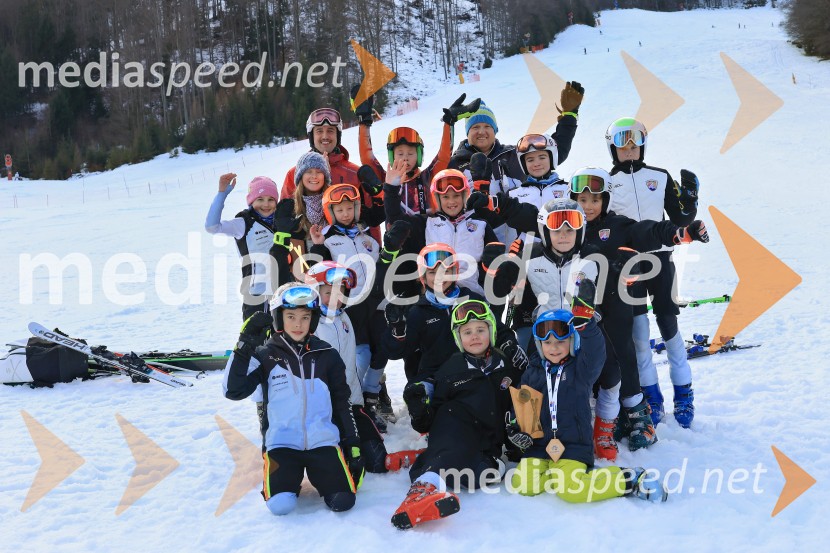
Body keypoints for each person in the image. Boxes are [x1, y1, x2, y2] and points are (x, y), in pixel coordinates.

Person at [569, 166, 709, 458]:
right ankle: (600, 414)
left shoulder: (618, 225)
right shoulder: (568, 228)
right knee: (588, 359)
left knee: (624, 353)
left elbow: (648, 231)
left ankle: (637, 415)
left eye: (595, 200)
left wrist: (680, 233)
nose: (588, 206)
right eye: (582, 200)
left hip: (615, 303)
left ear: (606, 200)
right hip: (582, 309)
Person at [222, 283, 363, 515]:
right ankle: (285, 479)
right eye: (291, 316)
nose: (298, 324)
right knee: (281, 505)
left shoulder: (327, 355)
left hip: (323, 442)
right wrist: (244, 345)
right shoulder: (265, 355)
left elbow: (342, 403)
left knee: (343, 501)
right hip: (282, 445)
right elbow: (232, 390)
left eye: (305, 317)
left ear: (313, 319)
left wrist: (353, 444)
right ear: (279, 318)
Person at [507, 304, 668, 503]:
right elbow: (524, 407)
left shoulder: (581, 370)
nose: (554, 348)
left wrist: (586, 324)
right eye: (547, 342)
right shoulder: (532, 372)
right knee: (523, 485)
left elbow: (595, 351)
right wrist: (516, 426)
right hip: (540, 446)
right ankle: (568, 476)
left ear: (573, 341)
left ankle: (630, 478)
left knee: (571, 491)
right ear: (539, 345)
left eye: (561, 341)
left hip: (572, 446)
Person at [390, 300, 524, 529]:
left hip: (485, 441)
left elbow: (515, 406)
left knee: (485, 474)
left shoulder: (506, 366)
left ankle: (425, 457)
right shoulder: (451, 369)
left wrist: (516, 438)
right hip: (454, 426)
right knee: (453, 442)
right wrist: (419, 410)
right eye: (467, 332)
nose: (475, 336)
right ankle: (420, 491)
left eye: (480, 329)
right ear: (458, 337)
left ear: (491, 331)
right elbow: (428, 422)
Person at [604, 117, 699, 428]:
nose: (630, 148)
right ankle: (652, 397)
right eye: (623, 142)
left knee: (669, 325)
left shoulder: (659, 176)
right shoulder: (607, 182)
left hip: (660, 259)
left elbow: (680, 219)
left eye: (636, 141)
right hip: (628, 264)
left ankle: (683, 393)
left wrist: (690, 201)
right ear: (612, 147)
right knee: (639, 334)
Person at [380, 243, 527, 384]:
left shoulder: (471, 300)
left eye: (446, 271)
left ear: (454, 273)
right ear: (423, 277)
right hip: (437, 379)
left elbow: (496, 329)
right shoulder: (419, 311)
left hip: (475, 374)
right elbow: (396, 352)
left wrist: (510, 345)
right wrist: (397, 329)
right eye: (432, 272)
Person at [307, 183, 389, 432]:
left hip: (375, 304)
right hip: (350, 306)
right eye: (339, 210)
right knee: (361, 354)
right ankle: (356, 401)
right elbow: (318, 271)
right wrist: (318, 246)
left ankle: (371, 397)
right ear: (330, 212)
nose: (345, 214)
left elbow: (380, 269)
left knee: (382, 350)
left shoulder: (368, 240)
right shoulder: (329, 241)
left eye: (349, 208)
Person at [304, 261, 388, 472]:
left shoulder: (345, 318)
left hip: (351, 403)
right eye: (328, 292)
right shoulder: (307, 325)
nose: (336, 297)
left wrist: (357, 404)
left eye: (340, 291)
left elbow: (350, 368)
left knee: (377, 461)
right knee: (343, 463)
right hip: (322, 411)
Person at [352, 89, 479, 216]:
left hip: (429, 228)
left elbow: (443, 157)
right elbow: (367, 158)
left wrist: (448, 123)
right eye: (400, 154)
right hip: (396, 229)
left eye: (410, 153)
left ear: (419, 155)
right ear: (391, 156)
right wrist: (364, 123)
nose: (405, 158)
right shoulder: (387, 182)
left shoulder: (428, 177)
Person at [383, 168, 499, 296]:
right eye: (445, 197)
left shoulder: (480, 225)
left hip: (470, 297)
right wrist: (391, 189)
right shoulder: (427, 224)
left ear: (464, 196)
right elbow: (397, 222)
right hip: (435, 296)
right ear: (437, 199)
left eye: (456, 196)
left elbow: (495, 262)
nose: (451, 201)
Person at [280, 107, 382, 244]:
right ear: (311, 136)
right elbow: (284, 222)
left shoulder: (355, 173)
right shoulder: (295, 174)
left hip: (350, 251)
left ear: (338, 135)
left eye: (330, 131)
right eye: (319, 131)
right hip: (311, 251)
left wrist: (375, 249)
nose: (325, 136)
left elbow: (370, 222)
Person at [205, 173, 279, 320]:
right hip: (256, 296)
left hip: (282, 291)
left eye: (271, 199)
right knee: (255, 334)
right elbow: (212, 227)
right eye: (260, 199)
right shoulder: (243, 223)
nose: (266, 204)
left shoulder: (282, 222)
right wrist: (221, 194)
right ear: (251, 201)